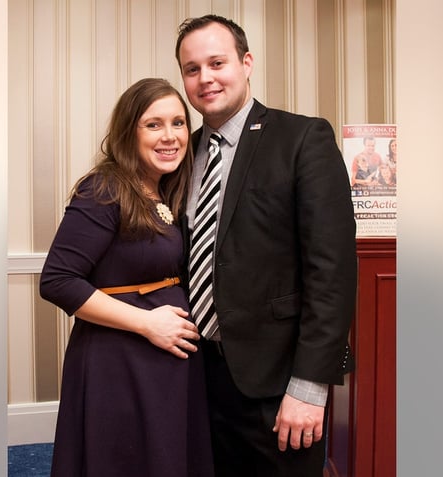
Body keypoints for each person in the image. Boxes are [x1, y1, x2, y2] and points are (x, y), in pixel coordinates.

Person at [175, 15, 358, 477]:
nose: (205, 78)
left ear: (247, 62)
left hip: (278, 384)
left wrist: (310, 386)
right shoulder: (182, 154)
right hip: (198, 376)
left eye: (217, 62)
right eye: (192, 69)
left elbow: (331, 272)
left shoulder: (301, 138)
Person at [39, 78, 214, 477]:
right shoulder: (104, 188)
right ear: (127, 131)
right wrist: (148, 323)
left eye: (178, 123)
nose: (170, 136)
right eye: (153, 125)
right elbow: (58, 279)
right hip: (118, 364)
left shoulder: (164, 191)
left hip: (162, 365)